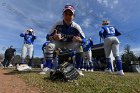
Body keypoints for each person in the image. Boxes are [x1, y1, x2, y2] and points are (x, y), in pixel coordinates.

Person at [40, 5, 86, 76]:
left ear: (73, 16)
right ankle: (47, 67)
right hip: (60, 43)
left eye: (70, 14)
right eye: (65, 14)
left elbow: (84, 40)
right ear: (63, 15)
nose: (67, 16)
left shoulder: (76, 26)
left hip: (70, 43)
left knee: (79, 46)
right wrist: (54, 37)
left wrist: (79, 40)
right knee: (49, 45)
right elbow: (47, 37)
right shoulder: (57, 24)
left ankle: (77, 69)